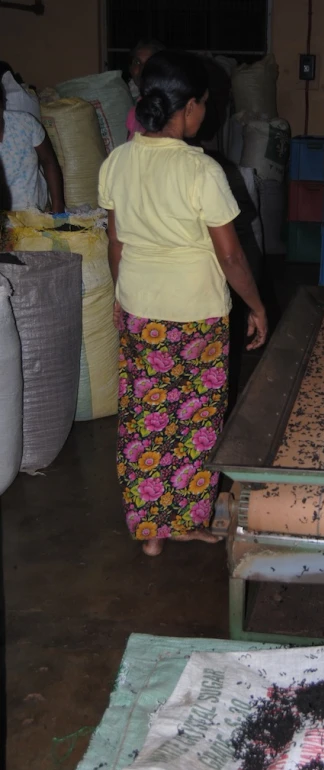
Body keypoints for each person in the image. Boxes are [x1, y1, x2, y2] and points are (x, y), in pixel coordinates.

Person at [98, 50, 268, 557]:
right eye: (203, 105)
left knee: (146, 418)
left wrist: (119, 295)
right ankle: (184, 520)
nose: (204, 115)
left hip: (139, 310)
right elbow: (231, 255)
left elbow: (115, 242)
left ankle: (150, 531)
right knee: (193, 423)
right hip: (194, 317)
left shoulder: (118, 160)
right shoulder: (201, 171)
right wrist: (256, 306)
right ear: (189, 107)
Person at [0, 83, 65, 213]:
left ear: (2, 103)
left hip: (35, 211)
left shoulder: (25, 123)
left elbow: (49, 162)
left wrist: (58, 207)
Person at [126, 39, 166, 139]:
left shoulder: (166, 106)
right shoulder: (132, 104)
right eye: (137, 62)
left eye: (148, 63)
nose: (142, 69)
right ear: (130, 68)